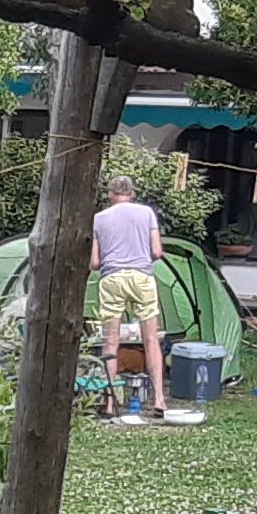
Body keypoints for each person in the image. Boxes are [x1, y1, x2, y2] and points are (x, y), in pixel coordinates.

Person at [89, 175, 166, 421]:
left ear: (110, 195)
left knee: (111, 342)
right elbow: (156, 251)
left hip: (112, 279)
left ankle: (110, 403)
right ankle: (159, 399)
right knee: (151, 339)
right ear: (132, 194)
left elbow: (94, 263)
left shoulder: (99, 219)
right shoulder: (147, 214)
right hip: (142, 278)